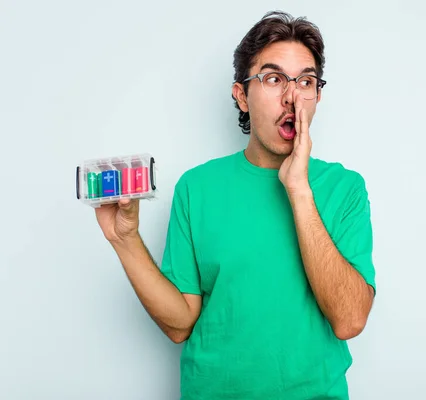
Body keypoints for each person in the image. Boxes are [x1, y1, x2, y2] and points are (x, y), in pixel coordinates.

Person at [95, 10, 376, 400]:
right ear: (242, 96)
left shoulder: (345, 188)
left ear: (318, 96)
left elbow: (349, 320)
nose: (292, 96)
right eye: (274, 79)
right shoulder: (197, 187)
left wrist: (299, 189)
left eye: (306, 81)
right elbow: (179, 324)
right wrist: (124, 239)